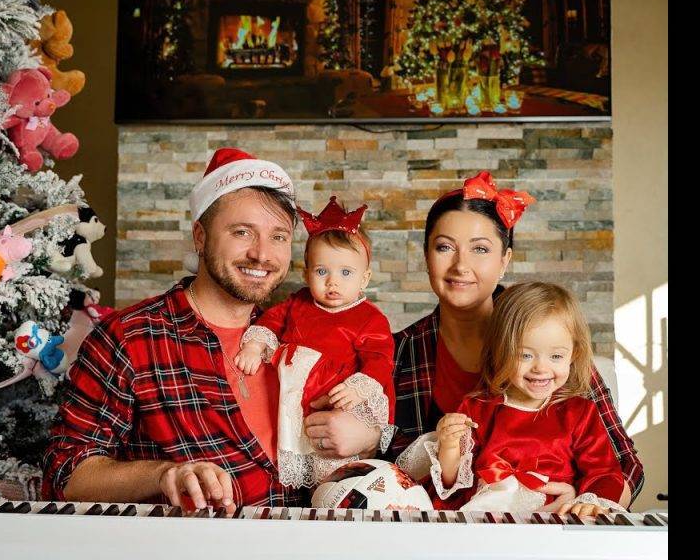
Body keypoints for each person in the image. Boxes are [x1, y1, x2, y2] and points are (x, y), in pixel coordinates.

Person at [302, 171, 644, 507]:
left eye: (480, 249)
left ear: (505, 260)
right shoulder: (397, 351)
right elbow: (389, 477)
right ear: (426, 256)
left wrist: (578, 505)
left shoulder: (548, 336)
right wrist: (366, 438)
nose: (460, 265)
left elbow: (624, 465)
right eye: (444, 247)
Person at [43, 147, 309, 511]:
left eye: (279, 236)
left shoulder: (296, 338)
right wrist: (163, 474)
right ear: (200, 236)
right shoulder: (128, 338)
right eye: (242, 232)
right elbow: (65, 476)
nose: (262, 254)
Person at [415, 282, 625, 516]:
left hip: (555, 517)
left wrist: (589, 502)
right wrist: (449, 446)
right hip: (488, 514)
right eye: (525, 355)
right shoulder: (477, 408)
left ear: (573, 354)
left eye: (556, 356)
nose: (540, 368)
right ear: (501, 351)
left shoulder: (579, 413)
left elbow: (604, 472)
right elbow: (452, 482)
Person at [234, 197, 395, 488]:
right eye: (322, 271)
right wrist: (255, 345)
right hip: (294, 401)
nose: (333, 282)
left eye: (346, 273)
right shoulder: (298, 302)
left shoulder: (369, 319)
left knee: (332, 468)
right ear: (307, 274)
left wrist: (358, 388)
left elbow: (379, 359)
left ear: (365, 278)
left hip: (336, 401)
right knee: (292, 451)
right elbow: (272, 320)